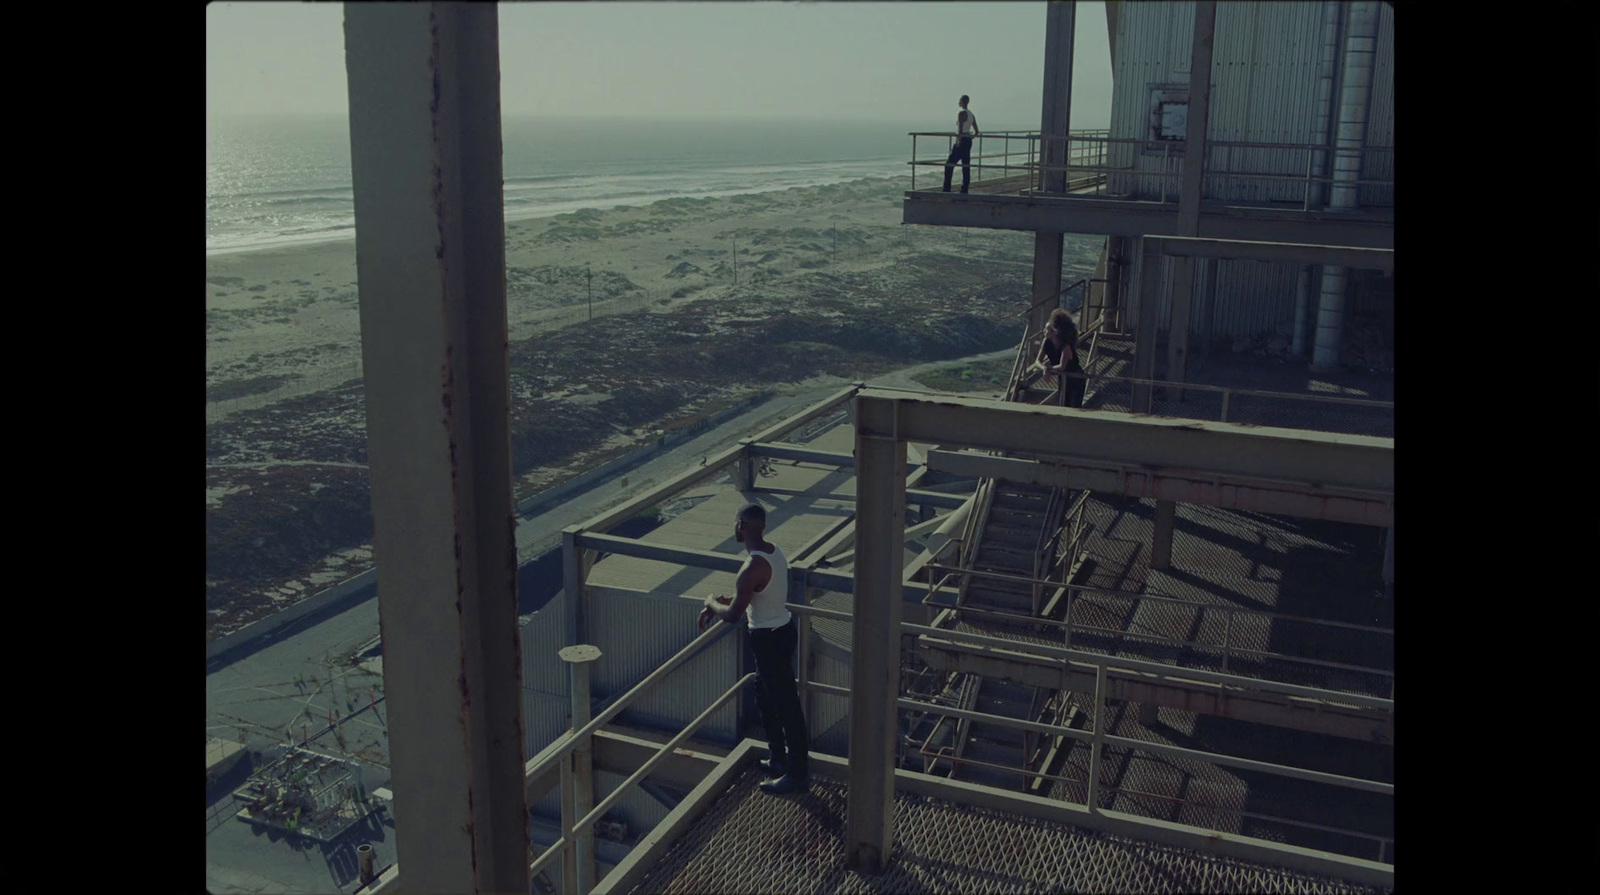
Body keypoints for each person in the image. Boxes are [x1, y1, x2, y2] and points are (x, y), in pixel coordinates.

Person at [698, 504, 809, 794]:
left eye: (736, 522)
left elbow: (734, 614)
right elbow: (757, 593)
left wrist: (711, 603)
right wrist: (731, 598)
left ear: (742, 527)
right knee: (765, 698)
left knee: (786, 707)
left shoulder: (751, 566)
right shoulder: (774, 551)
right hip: (781, 631)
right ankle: (778, 759)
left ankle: (796, 775)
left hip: (769, 640)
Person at [1035, 307, 1086, 408]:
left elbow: (1062, 366)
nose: (1044, 331)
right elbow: (1037, 361)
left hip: (1075, 378)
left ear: (1054, 332)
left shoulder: (1066, 346)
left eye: (1046, 329)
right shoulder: (1047, 342)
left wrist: (1048, 369)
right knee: (1063, 406)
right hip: (1063, 378)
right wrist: (1044, 368)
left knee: (1075, 408)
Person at [942, 95, 980, 193]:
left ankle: (946, 189)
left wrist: (959, 141)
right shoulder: (971, 114)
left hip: (961, 140)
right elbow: (976, 131)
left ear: (962, 102)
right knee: (966, 165)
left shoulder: (961, 113)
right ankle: (964, 188)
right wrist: (971, 137)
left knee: (949, 164)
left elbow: (960, 129)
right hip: (968, 140)